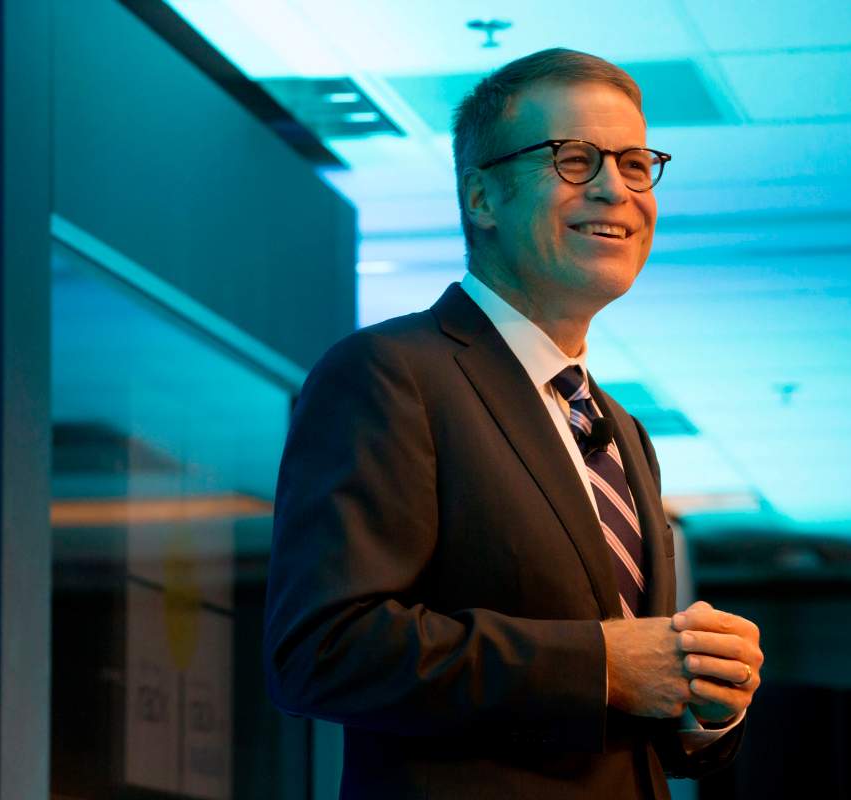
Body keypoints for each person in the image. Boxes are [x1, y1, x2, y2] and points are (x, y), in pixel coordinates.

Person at [263, 48, 763, 799]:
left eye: (635, 164)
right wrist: (598, 665)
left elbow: (627, 709)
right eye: (573, 159)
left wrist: (700, 699)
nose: (615, 190)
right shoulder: (391, 373)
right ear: (482, 198)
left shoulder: (622, 430)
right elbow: (323, 650)